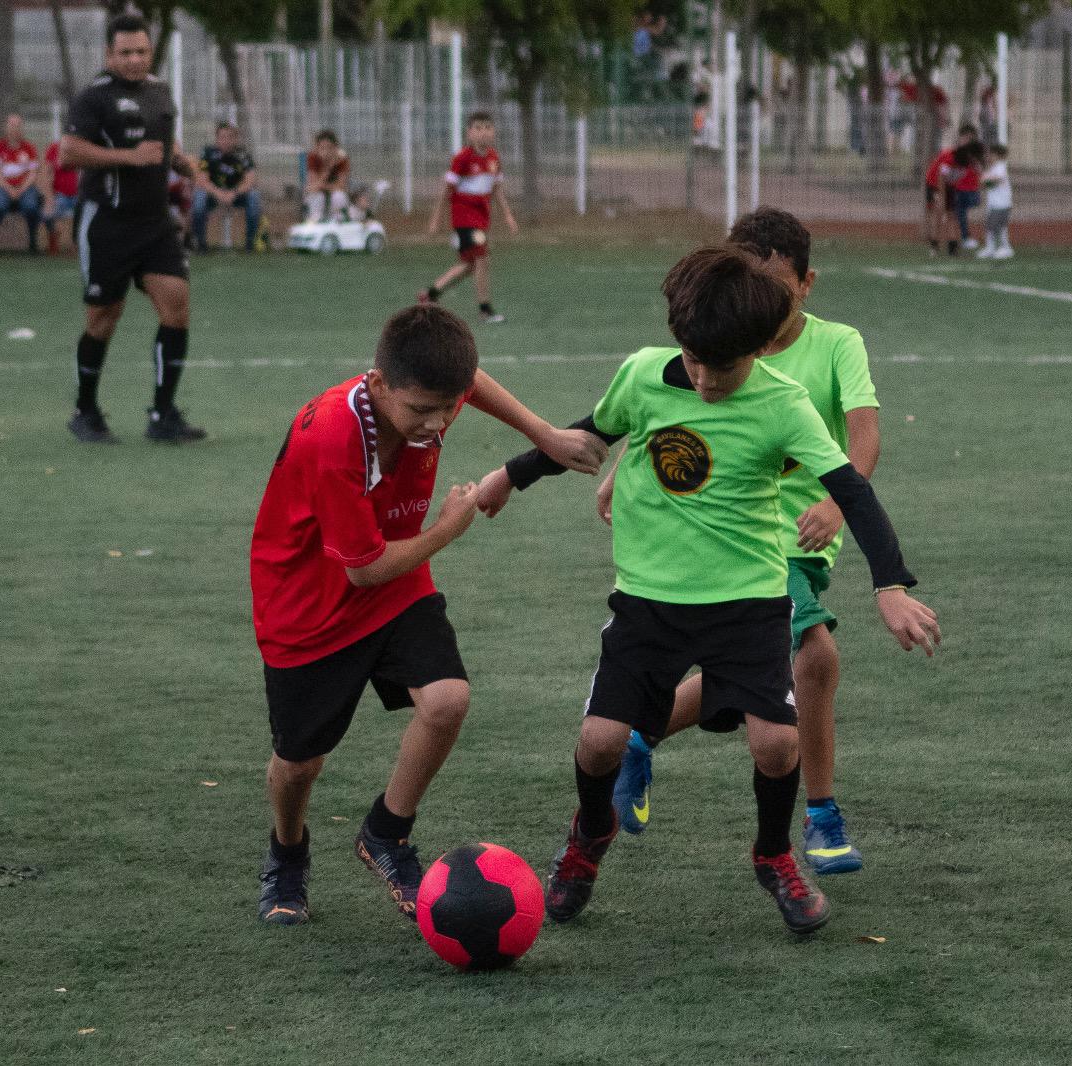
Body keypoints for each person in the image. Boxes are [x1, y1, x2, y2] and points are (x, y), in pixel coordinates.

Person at [477, 246, 939, 934]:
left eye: (721, 367)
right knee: (601, 741)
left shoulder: (783, 404)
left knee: (776, 747)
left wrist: (890, 585)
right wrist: (510, 475)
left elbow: (852, 492)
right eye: (693, 360)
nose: (704, 378)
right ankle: (590, 835)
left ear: (758, 347)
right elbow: (591, 431)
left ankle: (774, 854)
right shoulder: (642, 375)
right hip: (647, 602)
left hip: (748, 604)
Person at [250, 304, 609, 926]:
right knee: (299, 762)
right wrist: (448, 528)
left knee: (447, 699)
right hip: (306, 603)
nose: (437, 423)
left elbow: (472, 381)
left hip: (397, 580)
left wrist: (542, 433)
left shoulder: (431, 390)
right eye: (421, 411)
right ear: (379, 383)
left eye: (446, 408)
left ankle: (386, 833)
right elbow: (361, 569)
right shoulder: (334, 436)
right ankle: (287, 848)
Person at [571, 211, 883, 876]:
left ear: (804, 284)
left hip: (804, 530)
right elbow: (669, 411)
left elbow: (862, 441)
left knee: (773, 670)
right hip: (750, 539)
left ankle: (640, 734)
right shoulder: (716, 340)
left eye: (770, 283)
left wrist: (834, 500)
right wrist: (628, 465)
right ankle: (819, 819)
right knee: (815, 657)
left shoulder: (832, 346)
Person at [61, 13, 205, 444]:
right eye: (125, 52)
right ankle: (85, 411)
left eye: (141, 51)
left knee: (176, 305)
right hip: (106, 222)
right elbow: (68, 152)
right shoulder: (93, 98)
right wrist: (129, 157)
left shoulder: (160, 91)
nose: (134, 59)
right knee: (104, 317)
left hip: (154, 222)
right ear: (109, 54)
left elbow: (160, 141)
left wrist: (177, 158)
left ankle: (163, 416)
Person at [420, 112, 517, 325]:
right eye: (478, 128)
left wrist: (508, 215)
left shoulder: (493, 158)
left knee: (469, 265)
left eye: (488, 128)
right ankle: (485, 309)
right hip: (464, 217)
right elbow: (446, 190)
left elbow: (497, 189)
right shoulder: (462, 158)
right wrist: (436, 219)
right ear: (469, 133)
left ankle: (431, 293)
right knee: (483, 259)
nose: (484, 133)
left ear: (494, 132)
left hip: (481, 218)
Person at [192, 121, 261, 252]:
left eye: (230, 137)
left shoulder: (243, 155)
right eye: (222, 137)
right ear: (217, 139)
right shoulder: (207, 153)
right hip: (213, 194)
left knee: (253, 196)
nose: (226, 141)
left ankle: (250, 244)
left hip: (236, 195)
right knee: (199, 197)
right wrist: (219, 193)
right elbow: (202, 180)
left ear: (235, 139)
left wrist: (233, 193)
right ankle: (201, 244)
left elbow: (250, 180)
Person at [0, 113, 42, 255]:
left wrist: (21, 188)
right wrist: (9, 189)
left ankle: (33, 241)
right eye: (12, 125)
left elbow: (33, 173)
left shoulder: (29, 148)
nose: (15, 129)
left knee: (31, 207)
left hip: (25, 187)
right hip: (3, 186)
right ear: (6, 128)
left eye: (18, 126)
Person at [922, 123, 976, 256]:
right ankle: (934, 246)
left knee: (952, 215)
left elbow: (958, 178)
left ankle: (953, 248)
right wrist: (942, 197)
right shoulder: (949, 156)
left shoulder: (971, 159)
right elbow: (941, 178)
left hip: (950, 186)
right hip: (934, 184)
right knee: (938, 213)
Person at [40, 138, 80, 254]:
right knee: (47, 215)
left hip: (79, 196)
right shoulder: (54, 149)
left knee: (83, 212)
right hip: (61, 196)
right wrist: (49, 198)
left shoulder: (81, 149)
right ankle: (54, 238)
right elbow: (47, 175)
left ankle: (76, 244)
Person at [303, 129, 350, 222]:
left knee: (339, 196)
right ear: (317, 148)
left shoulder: (342, 159)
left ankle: (337, 222)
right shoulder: (313, 158)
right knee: (316, 196)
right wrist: (329, 167)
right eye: (322, 148)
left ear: (335, 148)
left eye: (329, 148)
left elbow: (341, 186)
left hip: (333, 192)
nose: (326, 152)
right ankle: (315, 221)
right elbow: (313, 187)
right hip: (320, 192)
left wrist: (323, 187)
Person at [978, 144, 1014, 260]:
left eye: (991, 154)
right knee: (992, 226)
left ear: (997, 155)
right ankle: (991, 248)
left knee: (995, 226)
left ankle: (1005, 248)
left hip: (1001, 203)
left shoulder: (1000, 167)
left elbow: (994, 181)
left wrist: (984, 181)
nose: (988, 156)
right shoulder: (993, 168)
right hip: (994, 204)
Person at [950, 140, 985, 251]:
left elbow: (980, 174)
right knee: (961, 215)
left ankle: (967, 237)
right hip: (961, 190)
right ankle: (965, 238)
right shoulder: (961, 160)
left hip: (971, 191)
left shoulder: (975, 162)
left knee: (964, 213)